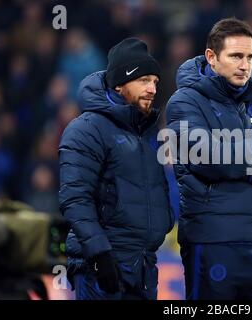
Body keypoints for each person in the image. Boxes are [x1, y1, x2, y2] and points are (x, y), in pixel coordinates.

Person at [165, 18, 252, 299]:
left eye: (250, 56)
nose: (245, 64)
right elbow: (207, 158)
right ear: (211, 58)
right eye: (236, 56)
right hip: (214, 242)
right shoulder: (185, 101)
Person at [59, 38, 174, 300]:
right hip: (101, 268)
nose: (152, 88)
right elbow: (75, 198)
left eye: (155, 82)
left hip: (144, 267)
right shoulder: (86, 129)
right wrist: (99, 255)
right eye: (144, 80)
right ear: (120, 84)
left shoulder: (148, 133)